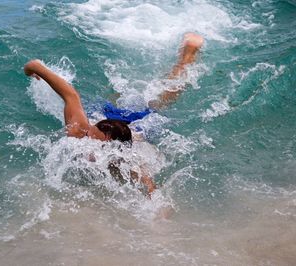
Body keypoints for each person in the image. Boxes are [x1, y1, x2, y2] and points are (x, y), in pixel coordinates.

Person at [24, 33, 204, 196]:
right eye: (89, 136)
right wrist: (35, 67)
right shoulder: (80, 132)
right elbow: (70, 95)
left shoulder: (124, 160)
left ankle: (186, 57)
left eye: (95, 142)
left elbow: (151, 188)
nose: (87, 143)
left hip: (139, 126)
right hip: (105, 116)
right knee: (114, 102)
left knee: (160, 103)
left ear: (110, 147)